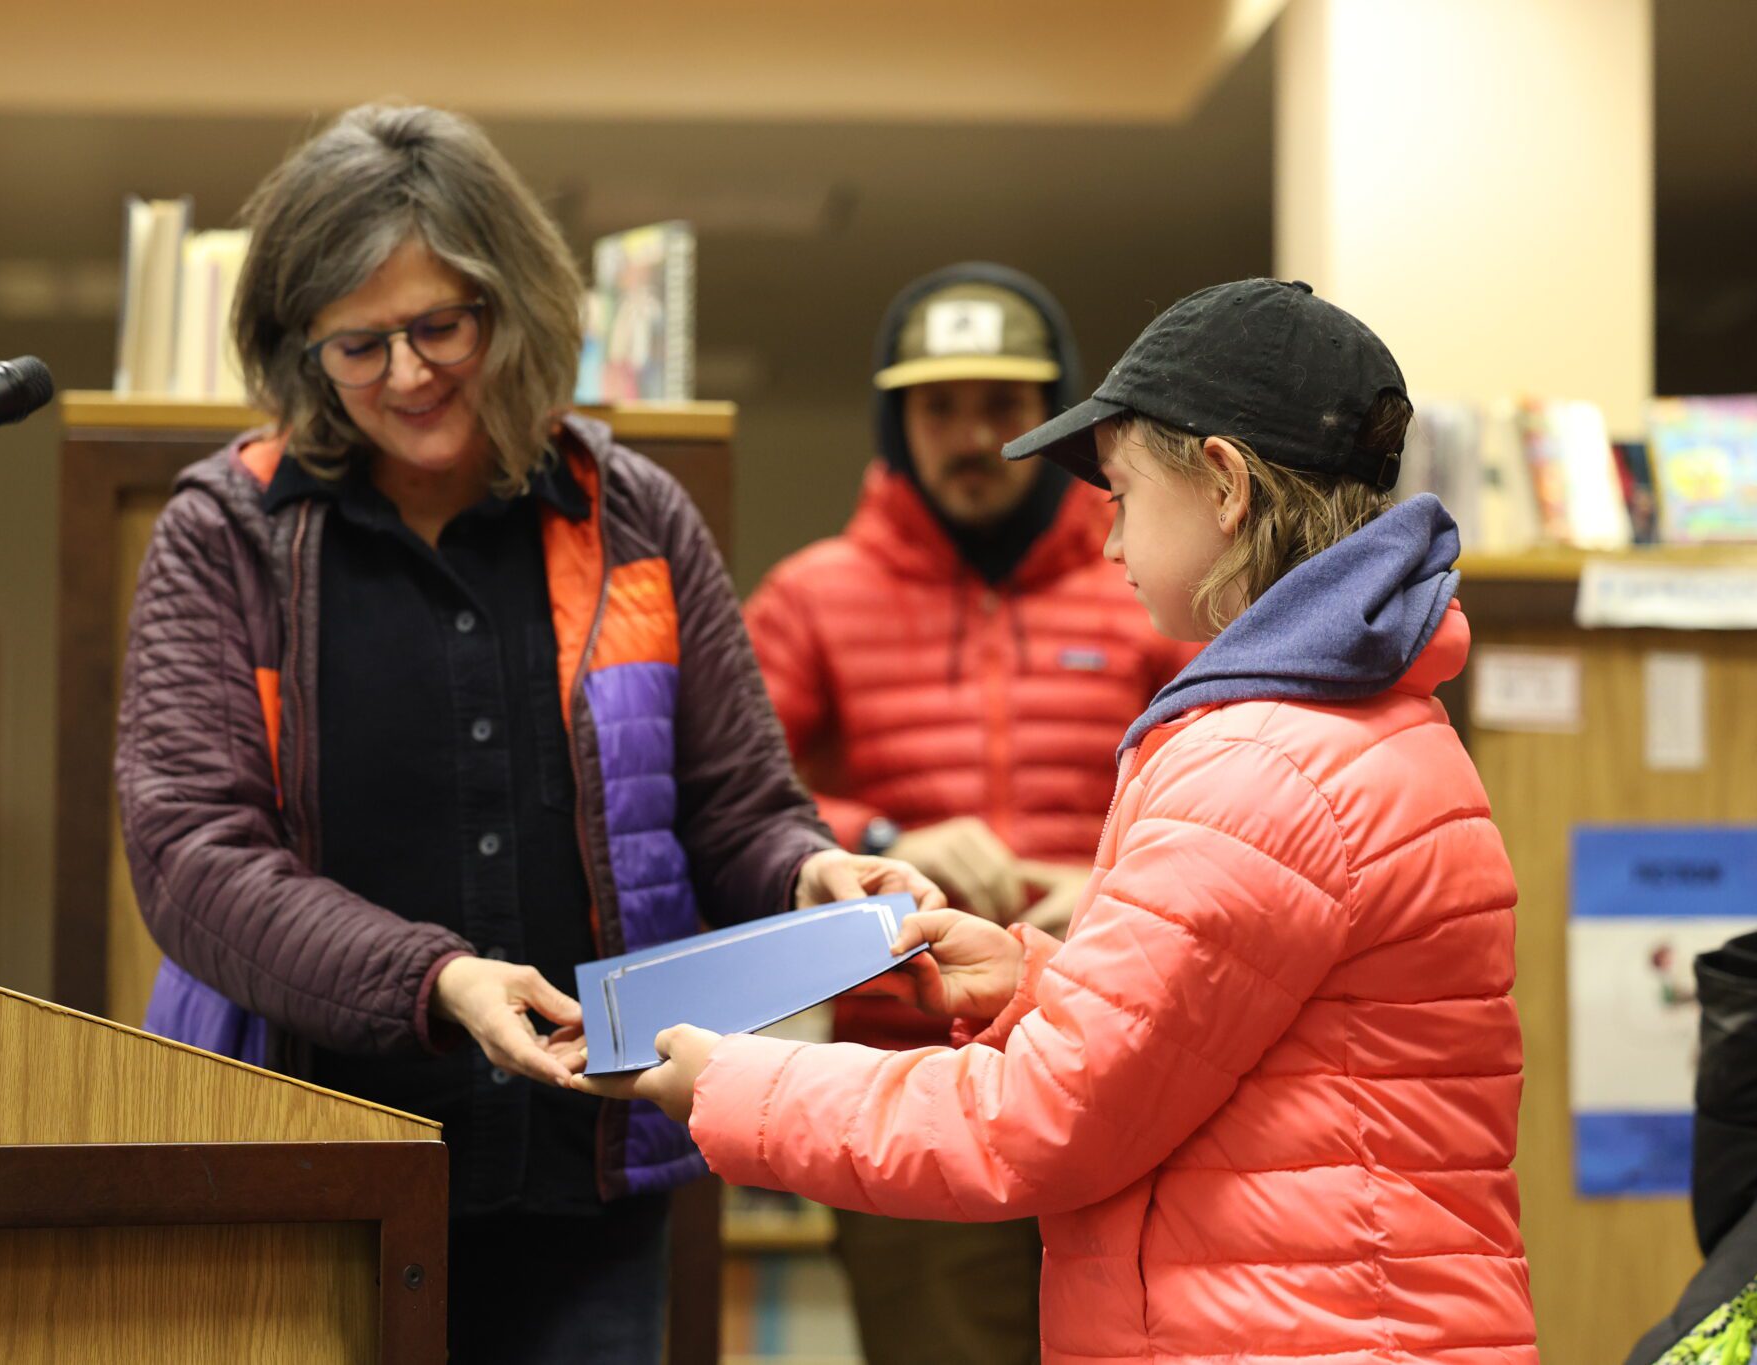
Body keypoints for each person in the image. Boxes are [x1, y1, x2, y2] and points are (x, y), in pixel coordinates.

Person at [582, 279, 1540, 1363]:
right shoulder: (1353, 715)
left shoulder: (1257, 759)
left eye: (1121, 494)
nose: (1105, 540)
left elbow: (1040, 1117)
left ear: (1222, 486)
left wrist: (723, 1085)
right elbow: (1249, 1035)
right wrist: (1036, 980)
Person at [114, 103, 936, 1365]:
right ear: (298, 349)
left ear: (515, 308)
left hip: (586, 1179)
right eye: (356, 344)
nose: (405, 374)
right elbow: (189, 855)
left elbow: (732, 803)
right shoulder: (230, 531)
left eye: (439, 325)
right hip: (305, 1171)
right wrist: (436, 981)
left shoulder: (631, 515)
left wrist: (807, 869)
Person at [741, 262, 1190, 1363]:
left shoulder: (1145, 575)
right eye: (935, 407)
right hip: (910, 1084)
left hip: (1129, 1075)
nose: (967, 434)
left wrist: (1114, 882)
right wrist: (882, 837)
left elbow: (1231, 779)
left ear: (1060, 417)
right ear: (895, 423)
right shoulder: (811, 594)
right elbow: (730, 794)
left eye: (1001, 404)